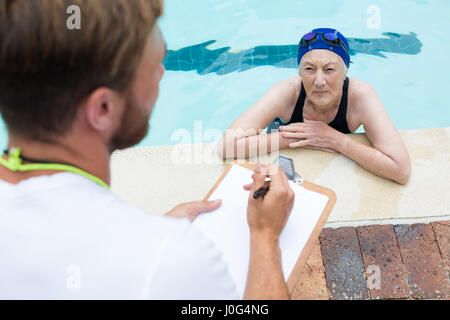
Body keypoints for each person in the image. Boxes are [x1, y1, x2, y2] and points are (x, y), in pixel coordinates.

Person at [0, 0, 294, 299]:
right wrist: (264, 237)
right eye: (154, 68)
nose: (161, 76)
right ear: (103, 109)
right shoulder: (173, 262)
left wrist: (152, 234)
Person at [219, 28, 411, 185]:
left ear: (344, 73)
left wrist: (334, 139)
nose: (319, 81)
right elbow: (226, 147)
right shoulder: (287, 92)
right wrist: (301, 137)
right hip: (281, 141)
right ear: (300, 72)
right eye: (310, 69)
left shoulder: (360, 96)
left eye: (329, 70)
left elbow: (401, 170)